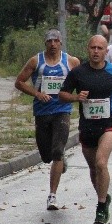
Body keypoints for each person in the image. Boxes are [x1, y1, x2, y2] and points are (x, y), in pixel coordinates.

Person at [59, 35, 112, 224]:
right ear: (88, 49)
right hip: (87, 127)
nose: (96, 51)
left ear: (106, 51)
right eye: (93, 48)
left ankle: (101, 207)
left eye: (100, 48)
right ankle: (104, 197)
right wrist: (76, 98)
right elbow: (62, 94)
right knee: (93, 169)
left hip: (109, 125)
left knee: (101, 163)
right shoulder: (78, 73)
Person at [14, 29, 81, 210]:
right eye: (49, 41)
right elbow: (19, 82)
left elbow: (81, 80)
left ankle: (52, 195)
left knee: (57, 151)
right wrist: (37, 93)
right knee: (46, 156)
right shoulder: (36, 61)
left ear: (60, 43)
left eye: (56, 41)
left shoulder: (71, 62)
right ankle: (57, 159)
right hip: (42, 112)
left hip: (62, 110)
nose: (53, 44)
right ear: (45, 43)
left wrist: (74, 96)